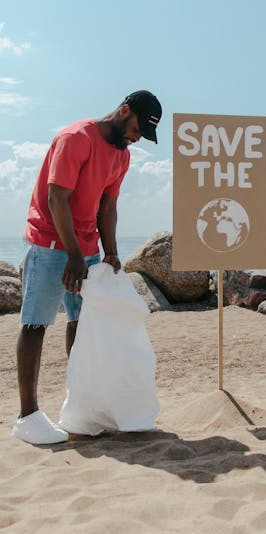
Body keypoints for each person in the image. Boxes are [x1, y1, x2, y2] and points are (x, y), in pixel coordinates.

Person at [13, 90, 162, 445]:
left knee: (82, 326)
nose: (136, 139)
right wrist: (74, 256)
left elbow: (107, 208)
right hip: (50, 243)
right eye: (137, 129)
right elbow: (56, 198)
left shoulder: (122, 157)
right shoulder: (75, 138)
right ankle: (27, 416)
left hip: (89, 250)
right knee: (35, 324)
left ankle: (79, 407)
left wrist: (110, 253)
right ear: (124, 110)